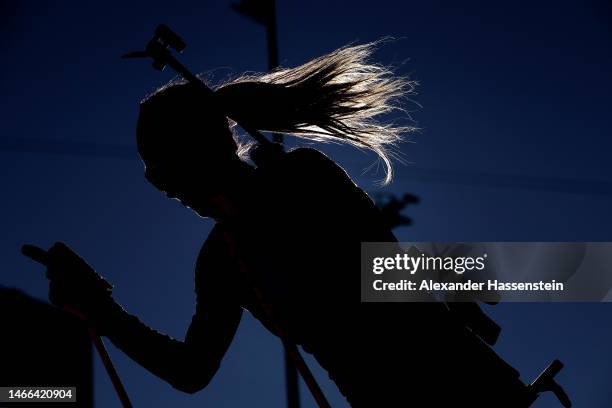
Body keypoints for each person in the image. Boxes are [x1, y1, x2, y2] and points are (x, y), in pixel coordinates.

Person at [33, 43, 532, 407]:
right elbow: (190, 371)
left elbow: (385, 267)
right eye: (154, 181)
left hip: (470, 387)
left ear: (199, 152)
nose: (165, 191)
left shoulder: (302, 179)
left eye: (162, 173)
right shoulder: (221, 262)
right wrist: (102, 310)